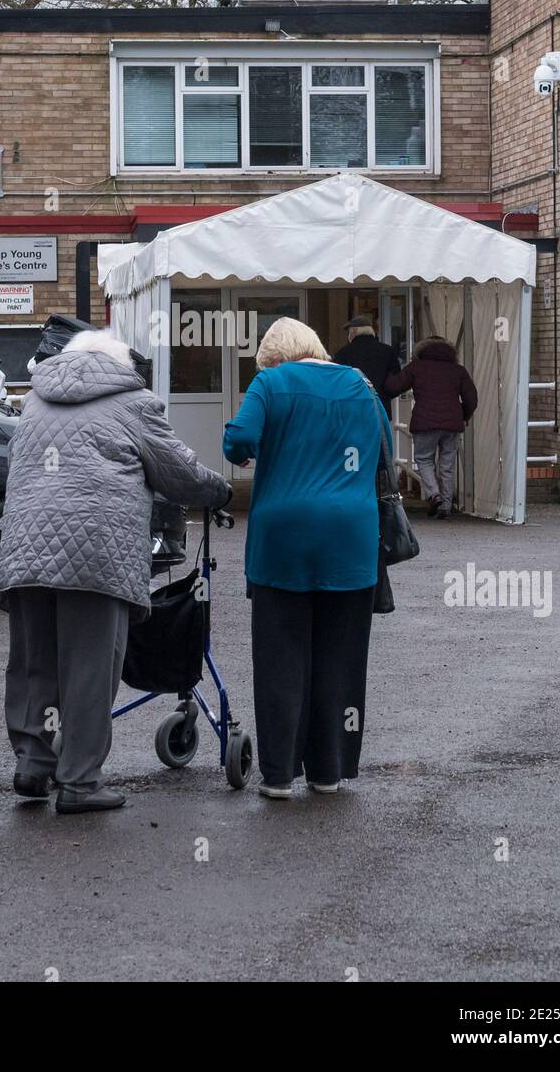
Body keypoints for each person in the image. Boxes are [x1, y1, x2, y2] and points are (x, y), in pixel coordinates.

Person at [0, 328, 229, 815]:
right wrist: (220, 491)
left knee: (35, 661)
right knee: (88, 667)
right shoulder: (133, 403)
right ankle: (79, 781)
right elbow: (177, 474)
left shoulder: (34, 402)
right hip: (95, 553)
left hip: (24, 549)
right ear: (120, 365)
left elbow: (16, 463)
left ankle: (34, 763)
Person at [223, 316, 391, 801]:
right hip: (351, 537)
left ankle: (277, 775)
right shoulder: (360, 385)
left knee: (281, 657)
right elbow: (385, 452)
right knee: (340, 658)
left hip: (284, 540)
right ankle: (328, 770)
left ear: (275, 358)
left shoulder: (270, 383)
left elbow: (237, 442)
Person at [385, 335, 477, 520]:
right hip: (452, 424)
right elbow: (471, 398)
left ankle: (434, 495)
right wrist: (464, 416)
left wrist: (385, 373)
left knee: (424, 459)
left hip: (424, 422)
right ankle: (446, 505)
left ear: (421, 351)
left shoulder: (416, 367)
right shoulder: (458, 370)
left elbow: (393, 387)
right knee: (447, 464)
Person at [332, 313, 401, 418]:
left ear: (354, 332)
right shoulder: (388, 351)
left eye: (349, 332)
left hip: (352, 409)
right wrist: (385, 395)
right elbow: (396, 381)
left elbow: (337, 381)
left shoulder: (343, 353)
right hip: (380, 408)